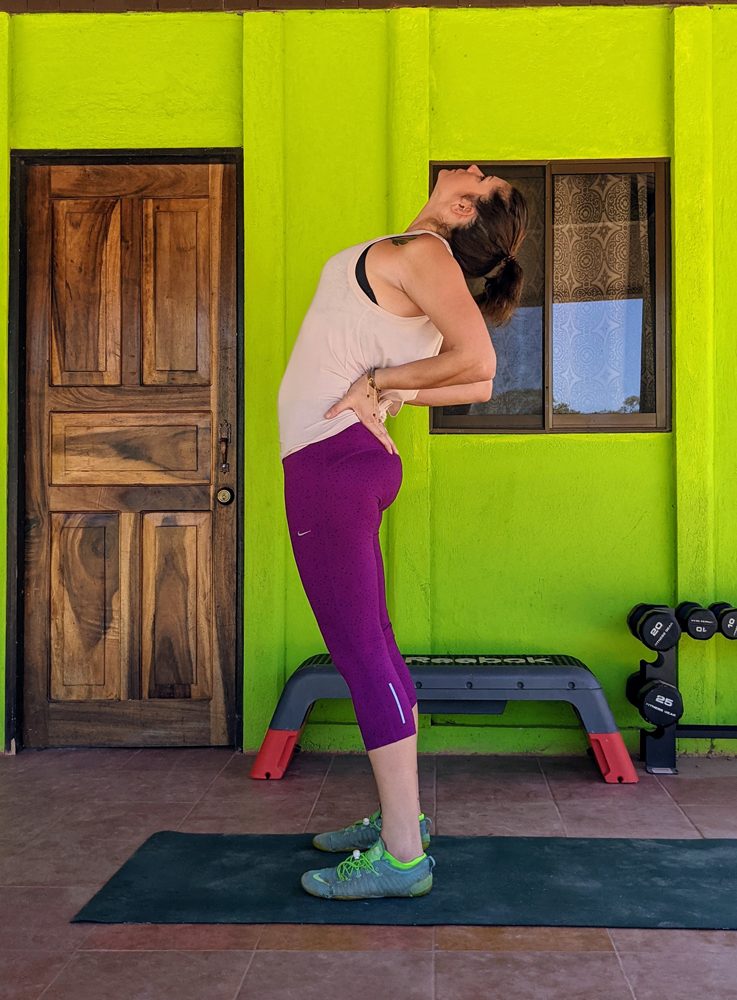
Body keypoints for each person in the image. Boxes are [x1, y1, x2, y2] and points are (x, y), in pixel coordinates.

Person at [277, 164, 528, 900]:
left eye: (480, 178)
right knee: (376, 645)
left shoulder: (425, 252)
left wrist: (380, 386)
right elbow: (477, 383)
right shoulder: (422, 257)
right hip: (346, 461)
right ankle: (402, 821)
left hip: (330, 465)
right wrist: (389, 392)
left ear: (463, 206)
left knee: (360, 654)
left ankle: (401, 858)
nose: (470, 168)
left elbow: (479, 363)